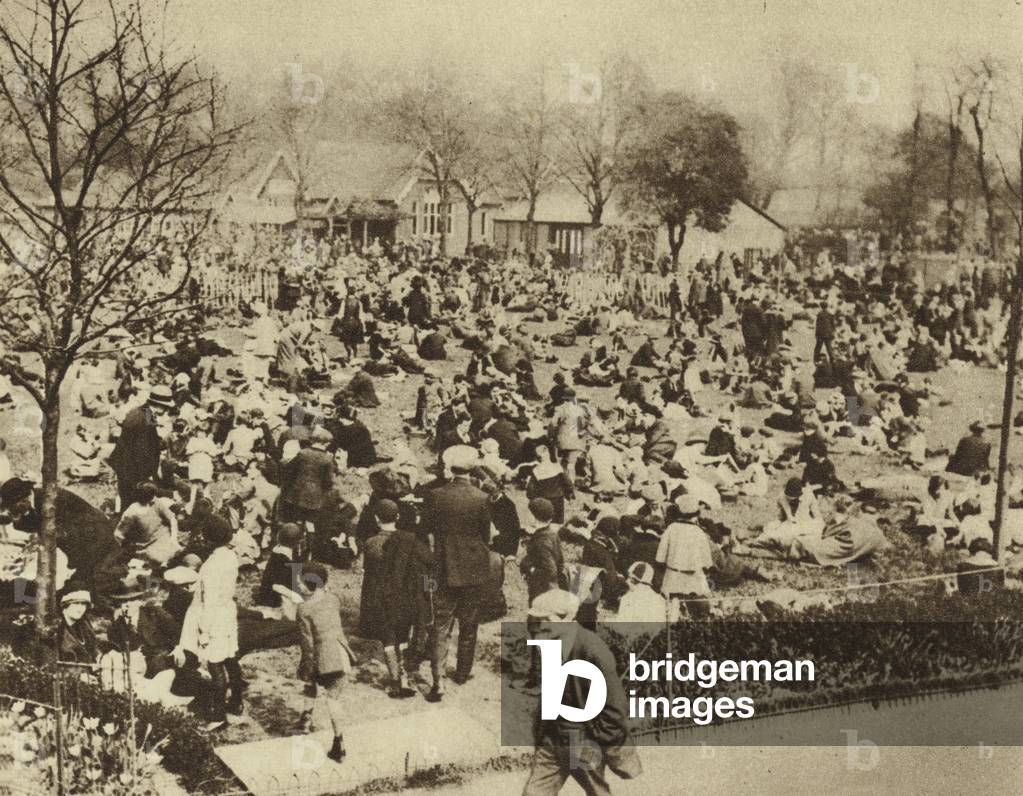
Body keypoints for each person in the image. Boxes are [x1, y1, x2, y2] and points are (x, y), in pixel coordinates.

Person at [523, 589, 640, 796]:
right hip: (552, 739)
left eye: (544, 619)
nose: (538, 625)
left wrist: (600, 737)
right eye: (535, 619)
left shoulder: (593, 649)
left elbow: (615, 706)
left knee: (597, 792)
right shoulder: (549, 643)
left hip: (584, 739)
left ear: (566, 618)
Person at [420, 446, 492, 701]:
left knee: (440, 625)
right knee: (469, 623)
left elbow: (425, 530)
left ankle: (438, 681)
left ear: (449, 466)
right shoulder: (482, 497)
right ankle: (463, 671)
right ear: (472, 467)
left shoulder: (435, 495)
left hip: (444, 566)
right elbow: (486, 535)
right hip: (474, 567)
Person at [176, 522, 243, 731]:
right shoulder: (230, 556)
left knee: (215, 665)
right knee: (231, 658)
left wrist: (204, 631)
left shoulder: (212, 566)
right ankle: (236, 701)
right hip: (227, 611)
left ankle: (218, 715)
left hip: (214, 616)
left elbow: (210, 601)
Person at [295, 561, 355, 763]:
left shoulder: (303, 609)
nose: (298, 586)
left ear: (308, 584)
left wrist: (307, 666)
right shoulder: (333, 600)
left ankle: (307, 718)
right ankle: (339, 742)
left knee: (310, 680)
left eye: (301, 582)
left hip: (322, 656)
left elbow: (307, 643)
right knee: (334, 698)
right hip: (341, 653)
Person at [109, 386, 174, 510]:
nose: (166, 411)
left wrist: (159, 443)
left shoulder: (146, 411)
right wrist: (149, 473)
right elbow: (141, 449)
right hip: (130, 465)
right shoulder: (141, 418)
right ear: (160, 405)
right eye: (166, 407)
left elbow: (150, 439)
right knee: (132, 500)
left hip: (129, 462)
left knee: (133, 498)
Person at [656, 497, 713, 619]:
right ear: (696, 514)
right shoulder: (699, 532)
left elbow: (660, 557)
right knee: (701, 608)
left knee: (671, 608)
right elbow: (707, 562)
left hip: (673, 576)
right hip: (694, 578)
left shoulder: (671, 529)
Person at [279, 426, 335, 526]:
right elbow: (328, 481)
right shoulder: (327, 459)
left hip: (296, 493)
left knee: (295, 520)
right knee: (310, 523)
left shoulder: (303, 453)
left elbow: (290, 469)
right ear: (325, 443)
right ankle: (308, 538)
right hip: (314, 497)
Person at [114, 482, 180, 566]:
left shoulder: (156, 502)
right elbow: (118, 534)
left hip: (164, 537)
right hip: (147, 545)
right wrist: (130, 548)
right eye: (152, 496)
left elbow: (172, 519)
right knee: (162, 561)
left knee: (180, 556)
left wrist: (173, 538)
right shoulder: (132, 511)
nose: (154, 498)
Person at [58, 589, 99, 665]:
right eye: (76, 603)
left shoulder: (85, 628)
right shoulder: (58, 630)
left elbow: (94, 651)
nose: (80, 609)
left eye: (83, 604)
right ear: (65, 605)